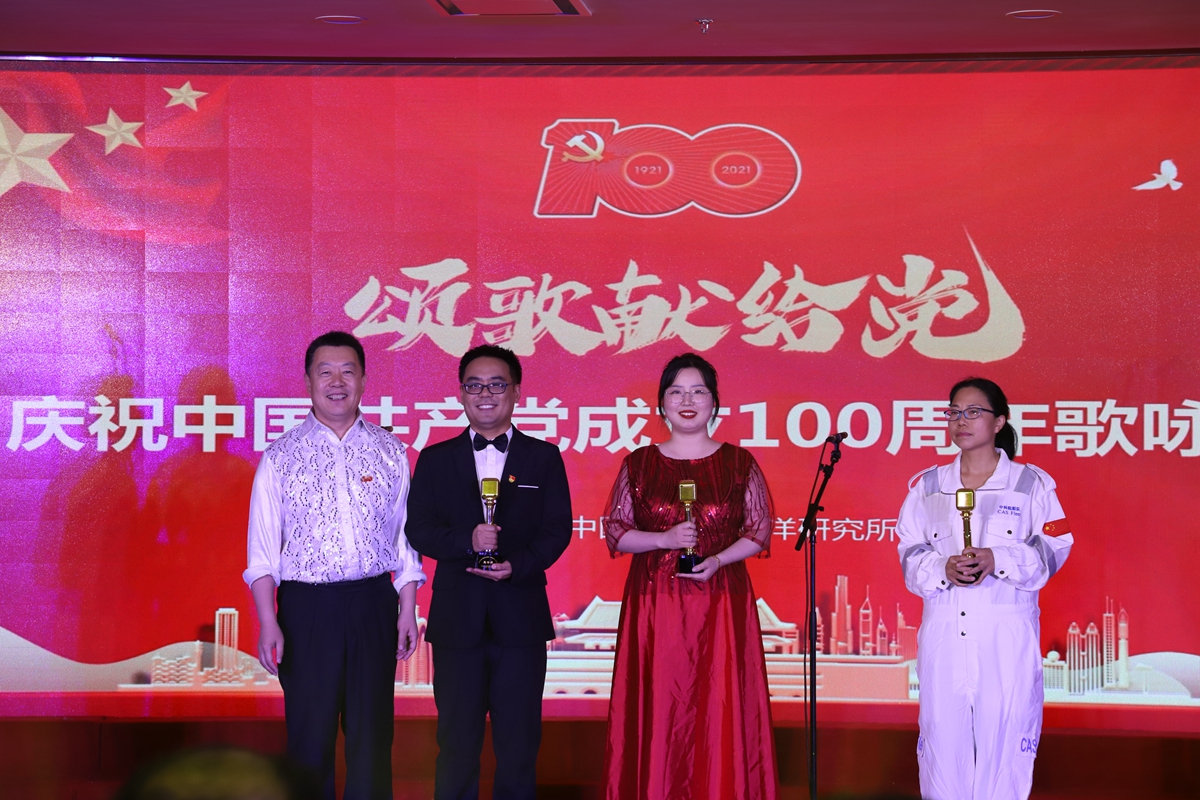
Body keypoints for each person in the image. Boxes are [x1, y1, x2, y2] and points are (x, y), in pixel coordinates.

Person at [244, 331, 425, 800]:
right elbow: (262, 551)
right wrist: (268, 620)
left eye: (348, 371)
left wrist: (407, 608)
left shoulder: (390, 451)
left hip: (373, 603)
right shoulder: (281, 456)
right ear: (308, 382)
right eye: (325, 372)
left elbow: (406, 538)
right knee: (309, 739)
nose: (337, 382)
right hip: (307, 609)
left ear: (363, 380)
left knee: (372, 738)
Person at [602, 353, 778, 800]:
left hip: (720, 605)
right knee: (660, 708)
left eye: (698, 391)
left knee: (719, 707)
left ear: (714, 403)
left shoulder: (739, 463)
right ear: (661, 403)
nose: (687, 400)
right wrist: (662, 539)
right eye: (677, 391)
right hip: (655, 606)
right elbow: (617, 531)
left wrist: (718, 560)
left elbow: (758, 530)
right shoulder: (639, 463)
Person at [405, 344, 572, 800]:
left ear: (516, 392)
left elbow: (557, 529)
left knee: (519, 745)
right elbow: (419, 529)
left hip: (520, 619)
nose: (485, 394)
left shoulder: (543, 457)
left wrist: (517, 565)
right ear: (460, 393)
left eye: (497, 384)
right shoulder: (435, 459)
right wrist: (468, 541)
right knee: (456, 743)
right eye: (474, 385)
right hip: (458, 620)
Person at [896, 377, 1074, 800]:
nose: (961, 421)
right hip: (944, 633)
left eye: (973, 412)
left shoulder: (1030, 484)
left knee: (1005, 743)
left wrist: (999, 559)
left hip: (1004, 633)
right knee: (942, 748)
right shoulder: (928, 486)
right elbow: (909, 550)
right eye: (954, 412)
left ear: (999, 422)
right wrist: (942, 566)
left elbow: (1055, 546)